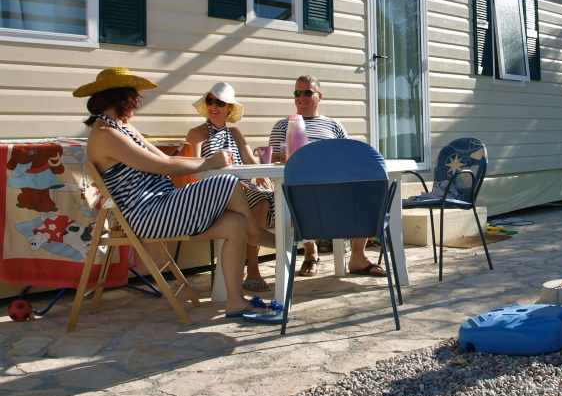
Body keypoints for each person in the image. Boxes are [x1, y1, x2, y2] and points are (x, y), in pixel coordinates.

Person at [76, 68, 278, 318]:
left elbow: (163, 159)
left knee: (235, 223)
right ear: (123, 98)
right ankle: (256, 234)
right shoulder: (105, 134)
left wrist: (210, 163)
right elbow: (160, 166)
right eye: (134, 98)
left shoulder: (123, 127)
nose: (136, 104)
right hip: (146, 214)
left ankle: (235, 300)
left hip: (164, 205)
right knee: (228, 182)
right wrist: (209, 163)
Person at [269, 74, 387, 277]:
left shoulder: (334, 125)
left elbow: (349, 157)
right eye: (297, 93)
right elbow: (274, 161)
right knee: (299, 196)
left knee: (369, 194)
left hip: (334, 190)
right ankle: (310, 252)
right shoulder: (283, 125)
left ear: (319, 96)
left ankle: (358, 256)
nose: (301, 97)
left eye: (307, 92)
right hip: (300, 191)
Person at [186, 82, 275, 293]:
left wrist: (264, 171)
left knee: (270, 198)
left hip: (242, 190)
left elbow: (249, 162)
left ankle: (257, 266)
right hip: (212, 191)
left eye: (220, 102)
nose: (214, 106)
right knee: (259, 201)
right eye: (210, 101)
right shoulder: (197, 133)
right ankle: (253, 266)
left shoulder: (234, 133)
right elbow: (192, 169)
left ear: (230, 108)